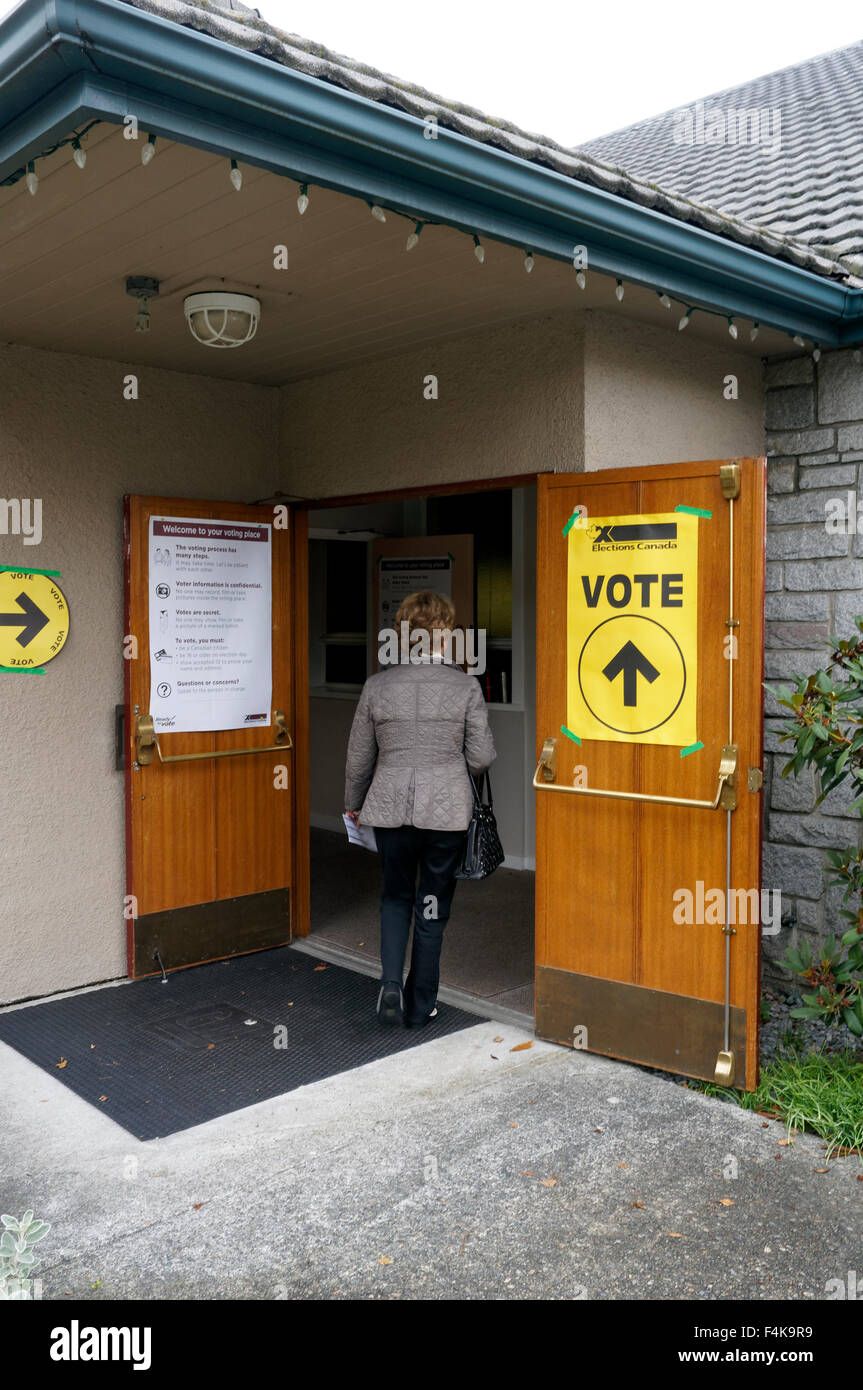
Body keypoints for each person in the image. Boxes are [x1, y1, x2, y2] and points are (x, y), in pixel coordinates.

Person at [344, 590, 496, 1028]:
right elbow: (482, 757)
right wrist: (448, 766)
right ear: (444, 636)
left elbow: (359, 759)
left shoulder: (377, 685)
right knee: (431, 903)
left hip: (390, 810)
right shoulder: (464, 686)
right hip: (445, 813)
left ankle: (390, 984)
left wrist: (353, 806)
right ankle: (420, 1003)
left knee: (394, 896)